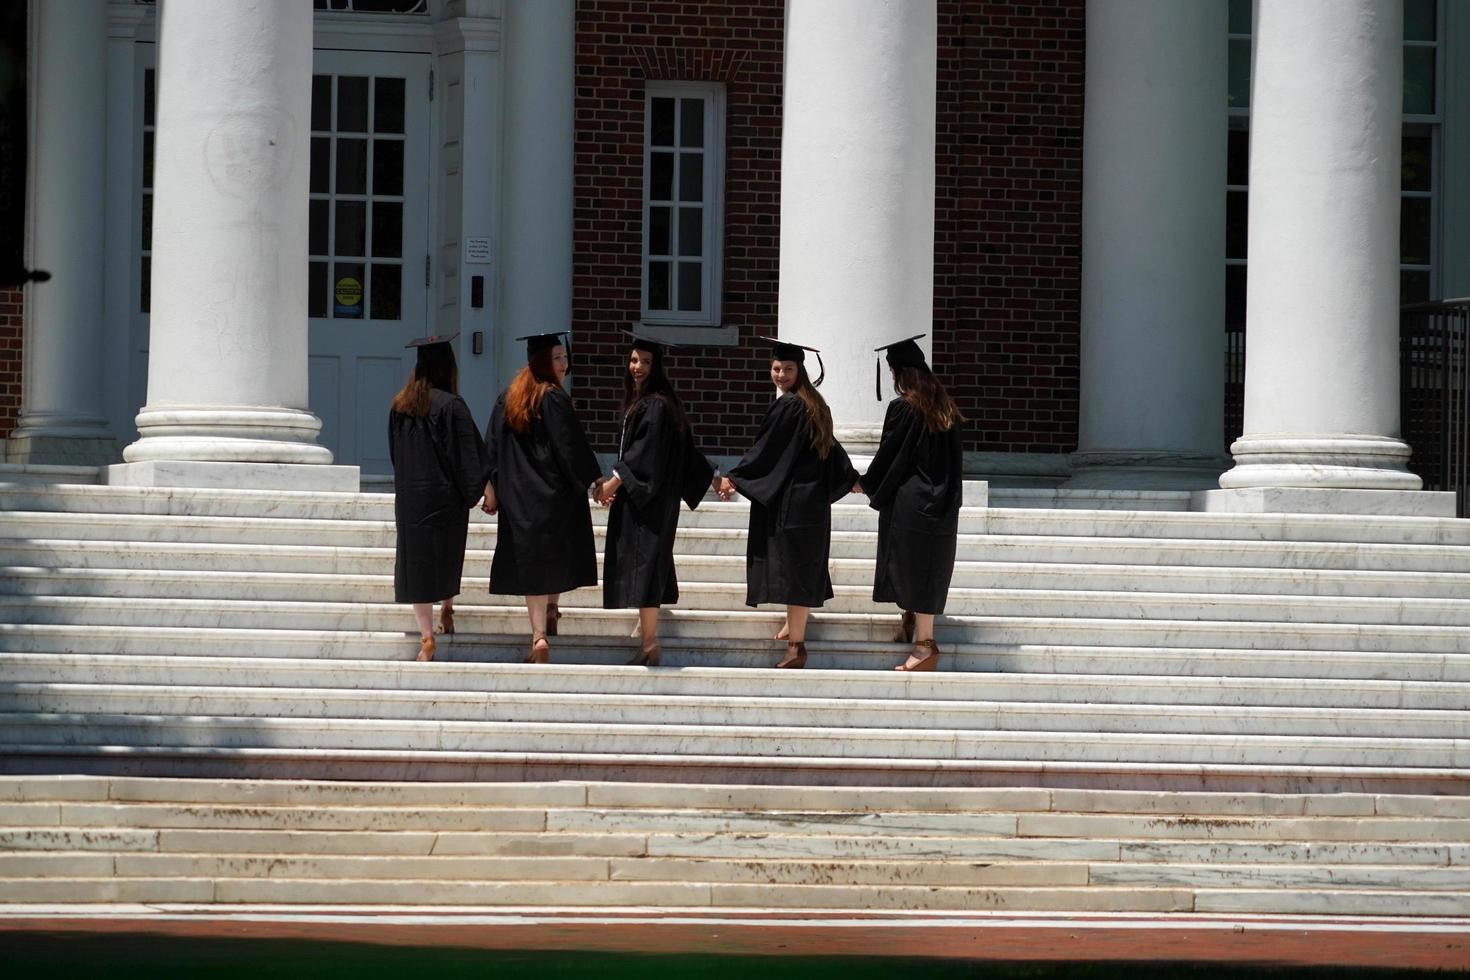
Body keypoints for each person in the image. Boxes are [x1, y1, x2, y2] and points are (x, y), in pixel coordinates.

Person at [716, 337, 857, 669]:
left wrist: (733, 478)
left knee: (794, 573)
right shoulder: (813, 404)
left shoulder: (791, 406)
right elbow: (833, 451)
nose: (780, 374)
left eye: (788, 369)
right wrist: (850, 478)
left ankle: (796, 648)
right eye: (776, 368)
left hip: (794, 505)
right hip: (811, 505)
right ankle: (792, 629)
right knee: (800, 569)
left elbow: (767, 451)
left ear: (800, 370)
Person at [595, 332, 717, 666]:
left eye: (646, 362)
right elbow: (686, 451)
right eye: (634, 360)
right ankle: (646, 633)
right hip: (652, 500)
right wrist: (714, 476)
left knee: (645, 565)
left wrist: (613, 484)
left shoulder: (654, 406)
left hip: (647, 502)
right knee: (647, 563)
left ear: (657, 366)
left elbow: (643, 455)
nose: (638, 367)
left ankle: (649, 641)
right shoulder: (657, 402)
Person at [483, 332, 602, 664]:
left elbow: (490, 448)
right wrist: (594, 479)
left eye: (565, 357)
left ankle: (538, 636)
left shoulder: (507, 398)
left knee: (533, 567)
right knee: (554, 558)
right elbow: (570, 447)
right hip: (554, 496)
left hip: (519, 500)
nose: (564, 365)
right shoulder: (553, 398)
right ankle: (552, 609)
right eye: (557, 358)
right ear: (542, 362)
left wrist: (490, 488)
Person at [859, 334, 965, 671]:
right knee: (927, 568)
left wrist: (865, 482)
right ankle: (912, 625)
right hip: (942, 499)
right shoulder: (944, 405)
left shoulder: (905, 406)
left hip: (912, 501)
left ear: (898, 372)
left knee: (913, 569)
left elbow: (892, 454)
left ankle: (924, 646)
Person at [388, 333, 490, 663]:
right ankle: (447, 606)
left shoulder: (399, 408)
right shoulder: (451, 405)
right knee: (445, 557)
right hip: (445, 498)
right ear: (448, 368)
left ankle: (427, 638)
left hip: (412, 500)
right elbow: (468, 453)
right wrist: (482, 491)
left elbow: (395, 455)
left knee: (417, 566)